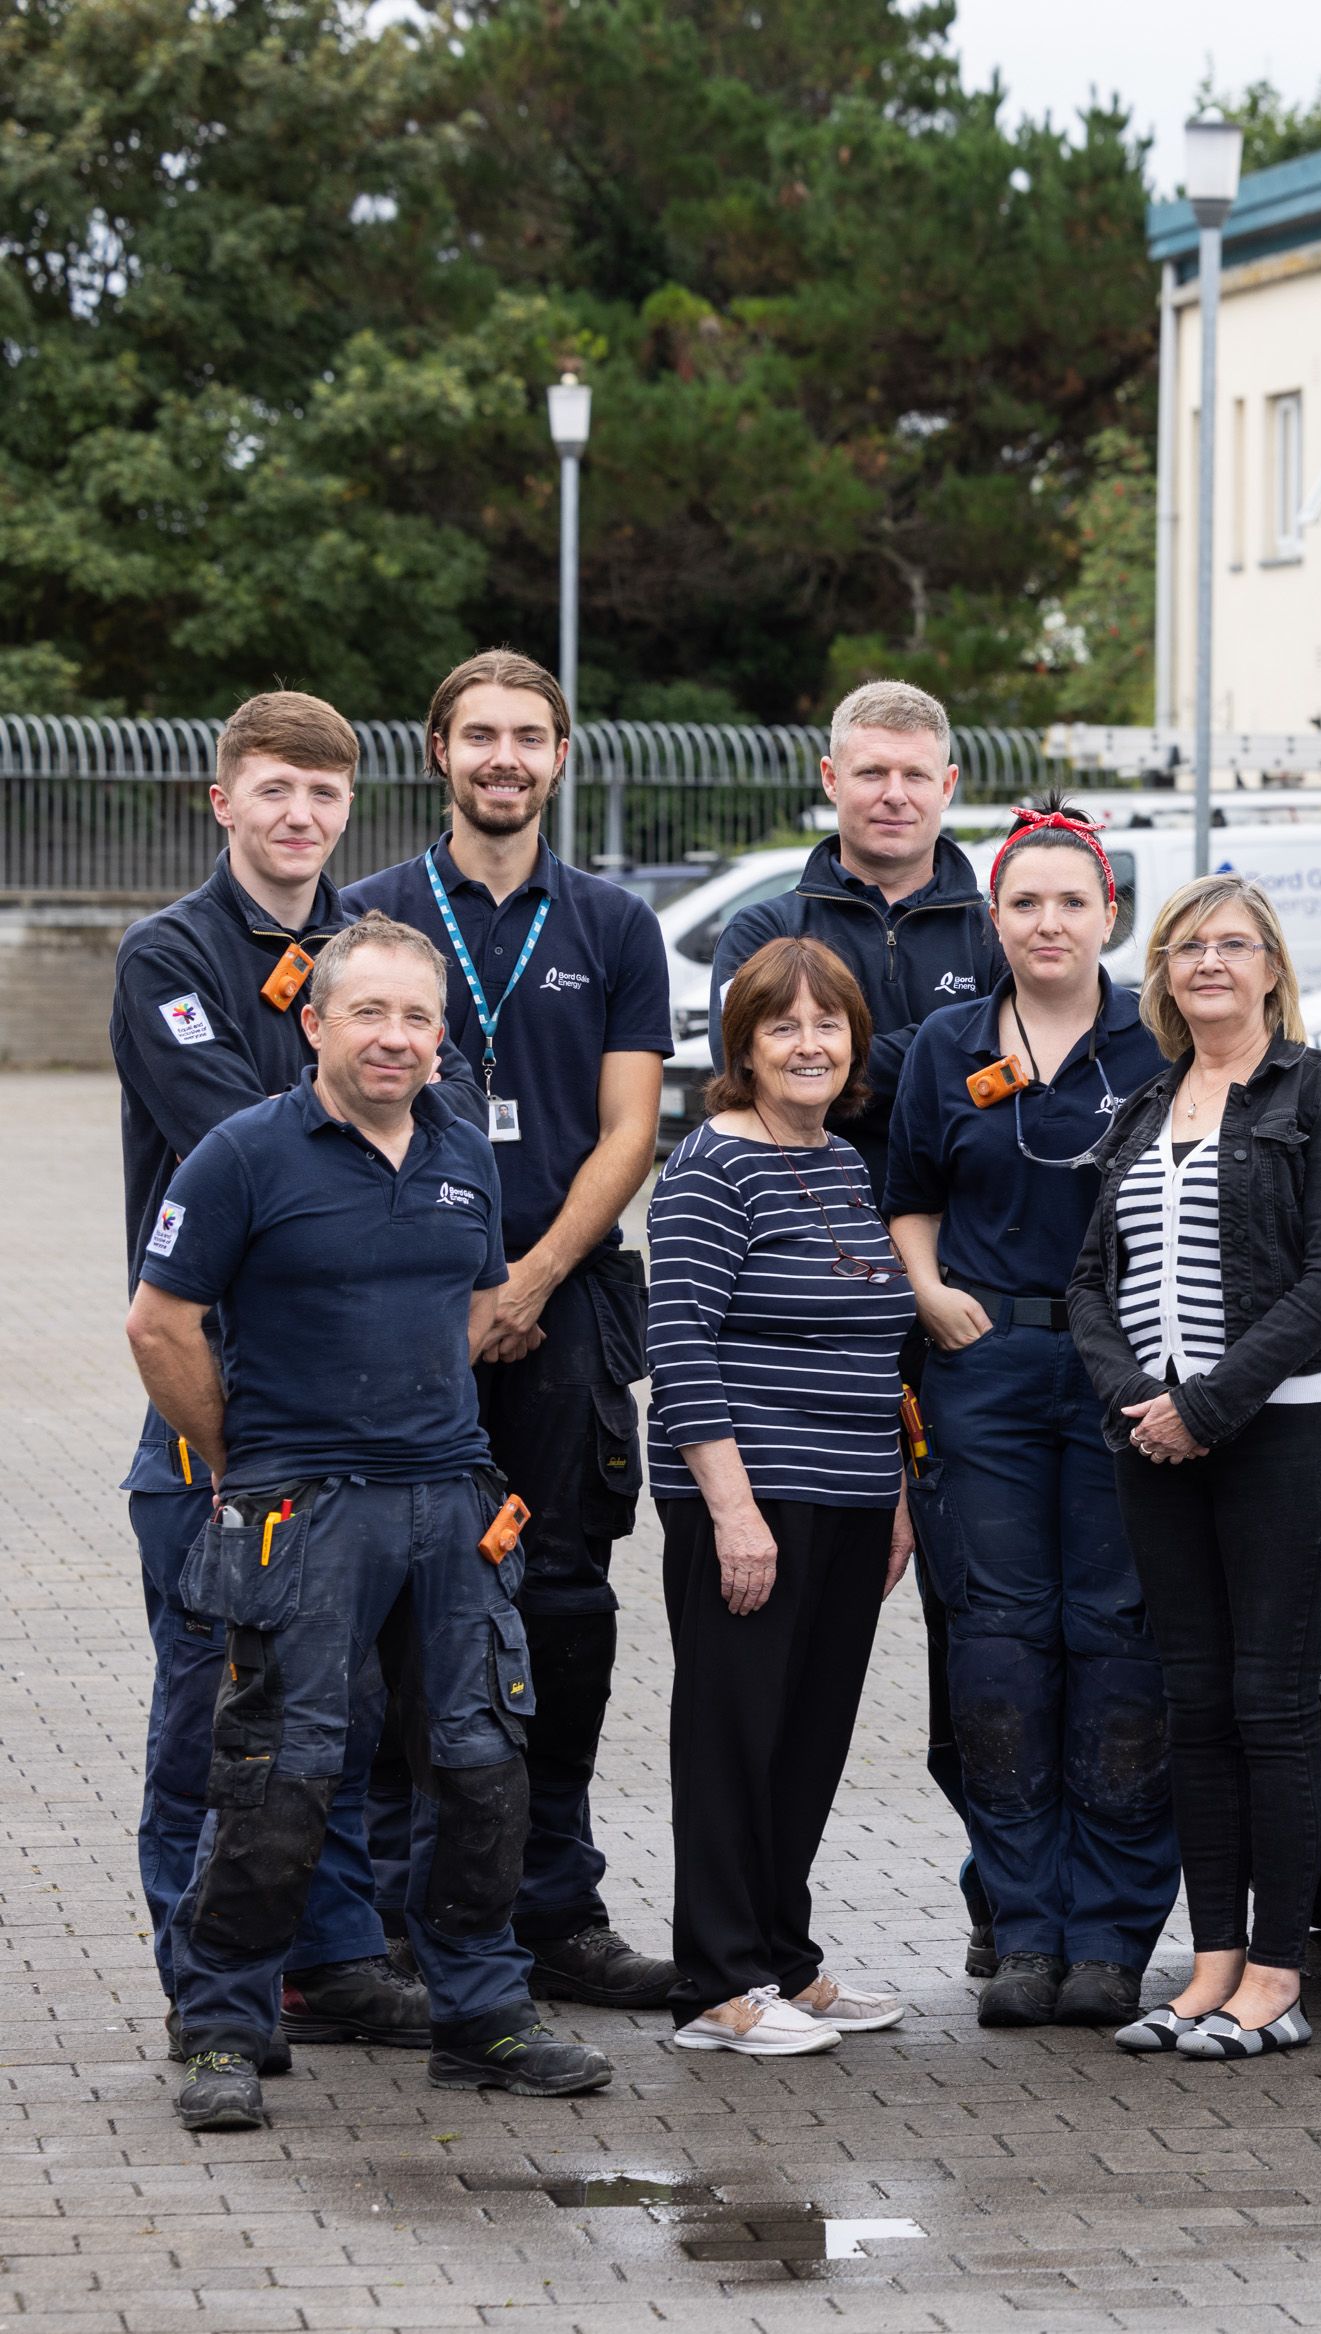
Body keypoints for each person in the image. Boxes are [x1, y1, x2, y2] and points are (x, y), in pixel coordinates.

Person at [127, 914, 615, 2132]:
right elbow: (158, 1325)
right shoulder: (243, 1155)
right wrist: (244, 1465)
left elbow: (476, 1303)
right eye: (369, 1013)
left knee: (481, 1769)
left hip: (448, 1504)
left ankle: (482, 2015)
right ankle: (223, 2026)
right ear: (315, 1024)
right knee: (278, 1777)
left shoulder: (462, 1149)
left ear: (440, 1036)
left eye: (416, 1017)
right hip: (301, 1513)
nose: (394, 1038)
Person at [342, 651, 679, 2013]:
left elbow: (630, 1130)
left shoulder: (613, 925)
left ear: (559, 756)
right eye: (479, 734)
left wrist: (529, 1280)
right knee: (391, 1607)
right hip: (403, 1312)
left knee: (562, 1605)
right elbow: (345, 1112)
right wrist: (457, 1294)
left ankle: (555, 1910)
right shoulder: (368, 915)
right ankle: (395, 1919)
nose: (504, 757)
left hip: (566, 1305)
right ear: (438, 751)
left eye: (527, 736)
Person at [108, 692, 423, 2072]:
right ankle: (205, 1986)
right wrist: (373, 1129)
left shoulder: (375, 951)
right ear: (222, 799)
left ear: (351, 806)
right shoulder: (166, 956)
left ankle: (335, 1958)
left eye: (324, 793)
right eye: (275, 789)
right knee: (213, 1712)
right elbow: (243, 1142)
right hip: (223, 1393)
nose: (300, 815)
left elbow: (435, 1111)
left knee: (339, 1706)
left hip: (361, 1392)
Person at [707, 680, 1005, 1973]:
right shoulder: (767, 924)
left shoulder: (996, 925)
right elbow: (763, 1087)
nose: (892, 794)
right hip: (802, 1334)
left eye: (914, 774)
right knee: (783, 1659)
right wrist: (931, 1070)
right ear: (829, 779)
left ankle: (1009, 1898)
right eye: (869, 771)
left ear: (949, 786)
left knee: (981, 1627)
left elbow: (1005, 1109)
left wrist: (893, 1083)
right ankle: (749, 1939)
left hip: (958, 1325)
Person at [1069, 874, 1321, 2063]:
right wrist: (1136, 1402)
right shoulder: (1144, 1106)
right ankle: (1210, 1965)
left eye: (1233, 944)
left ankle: (1278, 1977)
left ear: (1271, 968)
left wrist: (1207, 1406)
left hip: (1278, 1442)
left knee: (1270, 1709)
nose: (1209, 961)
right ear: (1161, 972)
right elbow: (1088, 1283)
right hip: (1155, 1446)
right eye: (1187, 945)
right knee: (1192, 1708)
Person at [886, 807, 1179, 2031]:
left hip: (1120, 1378)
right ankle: (1022, 1929)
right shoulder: (945, 1043)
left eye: (1071, 902)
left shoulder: (1159, 1039)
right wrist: (927, 1289)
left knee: (1116, 1646)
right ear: (991, 919)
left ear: (1109, 913)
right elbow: (908, 1192)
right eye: (1024, 904)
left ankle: (1109, 1939)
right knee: (999, 1649)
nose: (1047, 923)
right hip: (984, 1369)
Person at [645, 938, 921, 2056]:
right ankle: (715, 1983)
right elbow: (679, 1344)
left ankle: (783, 1962)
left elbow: (875, 1347)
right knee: (733, 1736)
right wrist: (732, 1510)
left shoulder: (842, 1159)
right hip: (752, 1497)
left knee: (807, 1738)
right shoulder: (712, 1164)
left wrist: (892, 1495)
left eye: (829, 1024)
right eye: (782, 1026)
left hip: (850, 1497)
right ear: (743, 1048)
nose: (810, 1045)